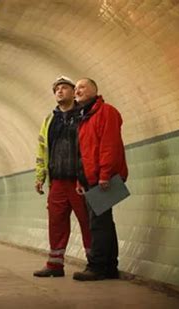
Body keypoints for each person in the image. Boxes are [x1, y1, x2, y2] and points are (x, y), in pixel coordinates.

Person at [34, 76, 92, 277]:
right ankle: (55, 265)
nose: (59, 91)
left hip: (79, 180)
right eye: (56, 89)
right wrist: (40, 176)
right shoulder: (49, 120)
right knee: (56, 222)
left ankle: (93, 262)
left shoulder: (83, 115)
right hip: (57, 180)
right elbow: (42, 149)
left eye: (64, 88)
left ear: (73, 92)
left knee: (87, 221)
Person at [72, 78, 128, 281]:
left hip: (103, 177)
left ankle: (96, 267)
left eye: (82, 87)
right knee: (104, 222)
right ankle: (109, 267)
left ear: (95, 90)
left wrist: (105, 174)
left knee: (98, 224)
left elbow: (109, 145)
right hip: (90, 178)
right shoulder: (84, 117)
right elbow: (82, 152)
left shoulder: (106, 112)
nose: (77, 90)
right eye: (76, 88)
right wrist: (81, 180)